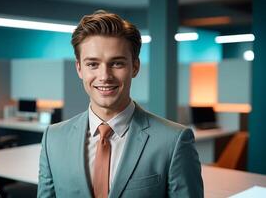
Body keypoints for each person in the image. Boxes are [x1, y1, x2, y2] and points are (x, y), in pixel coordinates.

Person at [37, 10, 203, 198]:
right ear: (79, 69)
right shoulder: (53, 139)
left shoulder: (174, 141)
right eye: (93, 64)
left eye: (117, 63)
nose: (105, 76)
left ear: (135, 66)